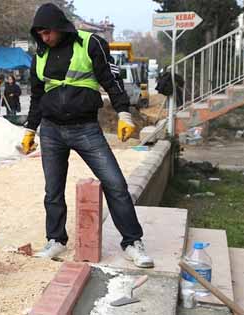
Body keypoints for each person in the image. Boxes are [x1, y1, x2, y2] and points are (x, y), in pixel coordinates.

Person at [20, 3, 154, 268]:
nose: (44, 38)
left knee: (115, 183)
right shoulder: (40, 54)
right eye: (40, 34)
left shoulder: (90, 44)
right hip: (51, 131)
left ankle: (132, 242)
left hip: (86, 129)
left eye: (48, 33)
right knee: (53, 191)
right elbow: (37, 96)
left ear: (60, 27)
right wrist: (29, 130)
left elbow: (111, 81)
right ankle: (56, 239)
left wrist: (123, 114)